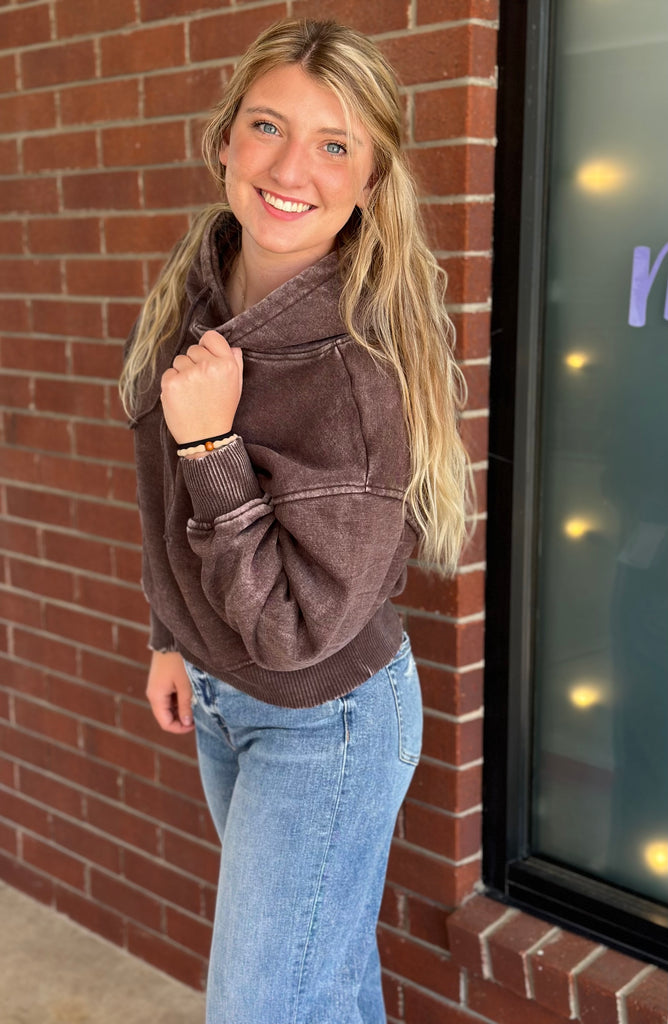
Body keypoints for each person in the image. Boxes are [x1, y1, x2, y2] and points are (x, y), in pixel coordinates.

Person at [120, 18, 470, 1024]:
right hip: (223, 695)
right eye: (268, 125)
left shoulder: (352, 381)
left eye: (334, 143)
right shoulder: (199, 284)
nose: (288, 169)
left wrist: (210, 447)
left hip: (326, 723)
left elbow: (292, 631)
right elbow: (164, 502)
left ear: (371, 179)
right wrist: (171, 637)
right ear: (225, 137)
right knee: (323, 988)